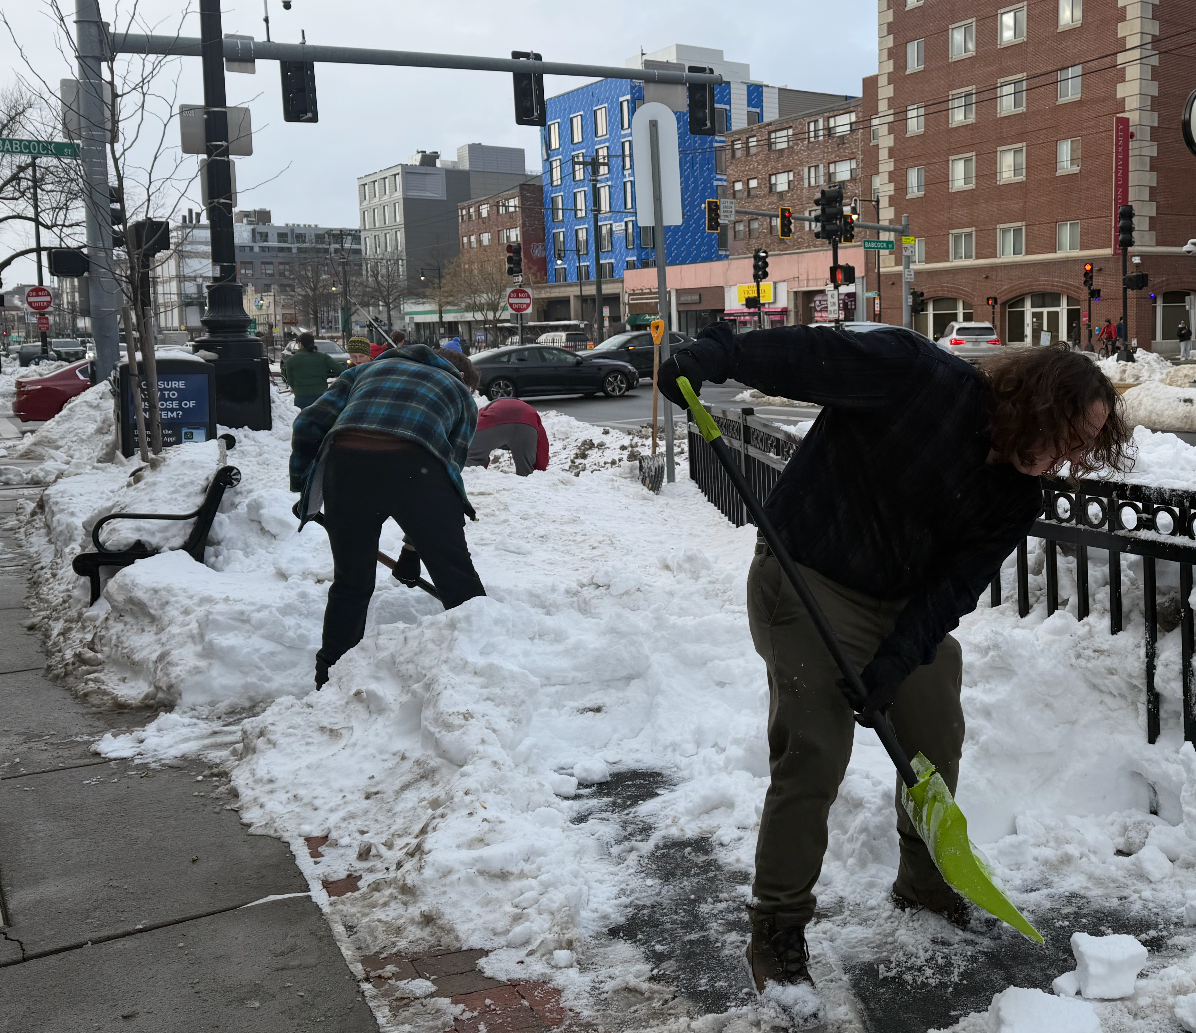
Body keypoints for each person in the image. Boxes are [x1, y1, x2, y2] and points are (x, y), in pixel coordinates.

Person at [659, 324, 1126, 999]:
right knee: (814, 750)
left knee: (936, 731)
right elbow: (811, 358)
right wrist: (720, 355)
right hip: (809, 575)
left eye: (1082, 448)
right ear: (1035, 402)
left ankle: (924, 881)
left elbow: (953, 590)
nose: (1066, 457)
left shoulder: (1015, 497)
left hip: (900, 607)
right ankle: (777, 926)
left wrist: (898, 662)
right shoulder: (917, 378)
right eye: (1065, 436)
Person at [290, 344, 487, 688]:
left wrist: (306, 487)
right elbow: (448, 469)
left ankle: (329, 676)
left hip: (347, 467)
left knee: (351, 581)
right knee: (454, 572)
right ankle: (484, 662)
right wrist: (415, 551)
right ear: (461, 376)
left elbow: (308, 421)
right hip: (416, 467)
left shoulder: (363, 371)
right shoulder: (458, 391)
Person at [467, 395, 549, 474]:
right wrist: (540, 467)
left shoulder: (481, 413)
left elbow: (474, 433)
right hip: (527, 422)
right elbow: (542, 443)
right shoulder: (527, 408)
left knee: (473, 461)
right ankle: (528, 478)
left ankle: (471, 475)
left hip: (493, 421)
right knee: (527, 468)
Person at [281, 333, 340, 408]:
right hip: (320, 394)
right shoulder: (323, 357)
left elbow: (289, 378)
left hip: (301, 396)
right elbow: (340, 369)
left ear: (300, 344)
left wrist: (296, 389)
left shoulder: (292, 359)